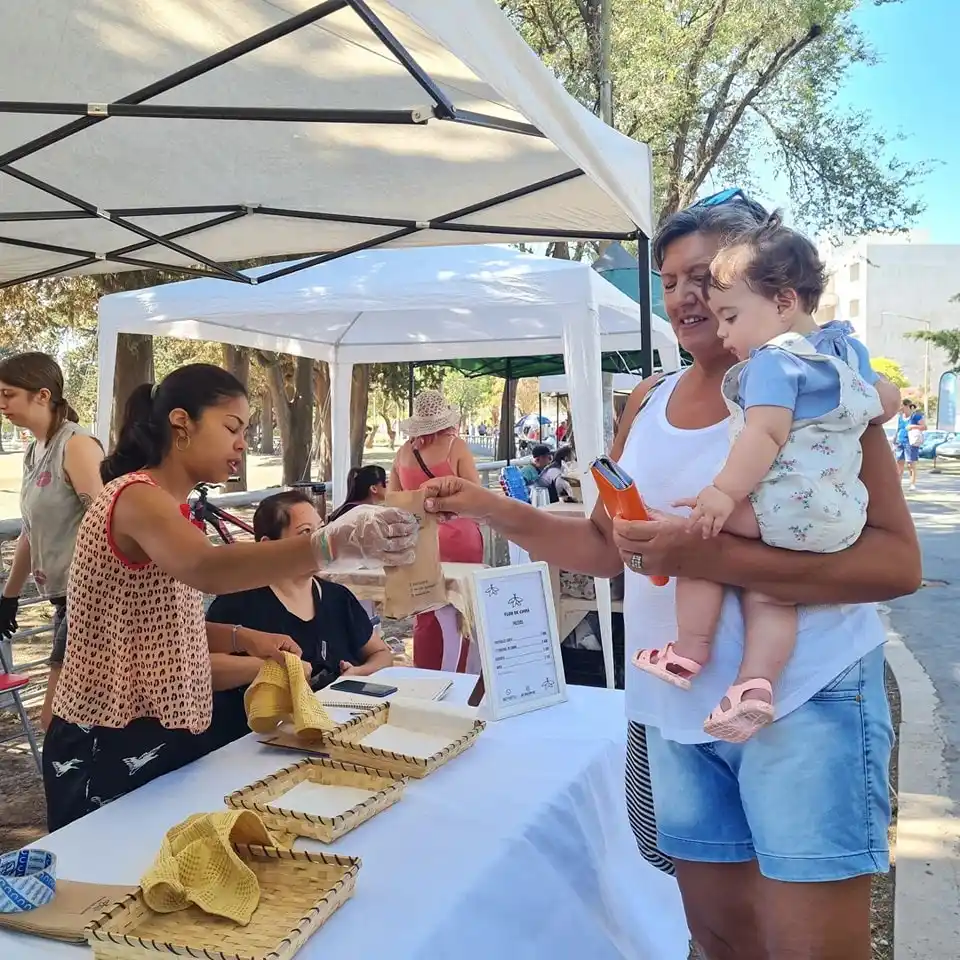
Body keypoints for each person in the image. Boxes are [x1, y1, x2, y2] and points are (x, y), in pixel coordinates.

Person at [420, 190, 919, 959]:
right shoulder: (647, 401)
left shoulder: (823, 385)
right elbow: (604, 548)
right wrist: (490, 507)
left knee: (811, 948)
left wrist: (705, 556)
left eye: (705, 278)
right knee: (720, 937)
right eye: (672, 280)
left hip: (807, 701)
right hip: (677, 709)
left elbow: (896, 563)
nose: (688, 298)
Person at [43, 364, 418, 830]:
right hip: (109, 736)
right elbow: (208, 570)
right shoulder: (137, 497)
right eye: (231, 427)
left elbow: (154, 625)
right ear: (182, 424)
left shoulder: (169, 507)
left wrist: (243, 637)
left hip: (158, 730)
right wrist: (326, 545)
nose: (242, 442)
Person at [632, 214, 899, 743]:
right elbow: (884, 402)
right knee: (771, 596)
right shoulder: (843, 353)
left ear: (782, 302)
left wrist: (720, 495)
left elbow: (765, 435)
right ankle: (755, 684)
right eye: (669, 282)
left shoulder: (774, 362)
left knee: (699, 540)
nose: (722, 326)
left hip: (787, 508)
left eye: (728, 312)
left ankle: (690, 649)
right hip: (836, 514)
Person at [204, 490, 395, 750]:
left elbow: (382, 654)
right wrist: (271, 668)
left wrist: (357, 673)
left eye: (322, 530)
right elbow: (201, 668)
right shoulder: (237, 603)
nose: (321, 543)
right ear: (267, 545)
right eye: (305, 533)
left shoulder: (337, 597)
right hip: (259, 746)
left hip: (341, 735)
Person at [0, 353, 104, 731]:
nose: (2, 404)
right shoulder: (34, 451)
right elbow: (32, 529)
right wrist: (10, 595)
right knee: (68, 721)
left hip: (91, 599)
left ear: (42, 396)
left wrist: (91, 597)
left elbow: (105, 523)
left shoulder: (75, 445)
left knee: (56, 720)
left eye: (9, 394)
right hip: (63, 598)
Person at [389, 389, 483, 670]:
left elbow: (394, 500)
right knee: (460, 608)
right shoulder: (457, 447)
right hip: (459, 535)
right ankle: (461, 674)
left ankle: (427, 671)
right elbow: (476, 495)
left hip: (420, 538)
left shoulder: (402, 453)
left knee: (425, 610)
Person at [894, 399, 926, 489]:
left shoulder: (916, 416)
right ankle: (898, 484)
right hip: (900, 442)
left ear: (907, 406)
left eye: (901, 406)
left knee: (910, 464)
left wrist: (913, 426)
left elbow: (924, 427)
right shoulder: (900, 417)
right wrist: (895, 437)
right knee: (899, 464)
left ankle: (912, 484)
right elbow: (899, 428)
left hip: (911, 442)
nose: (900, 408)